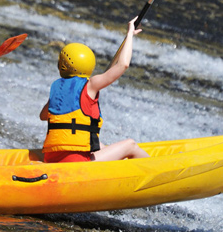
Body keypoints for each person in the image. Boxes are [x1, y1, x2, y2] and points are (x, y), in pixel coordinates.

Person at [39, 17, 150, 163]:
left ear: (61, 65)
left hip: (52, 158)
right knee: (130, 145)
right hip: (76, 162)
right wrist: (130, 34)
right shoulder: (91, 85)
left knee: (100, 145)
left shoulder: (57, 89)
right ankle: (161, 173)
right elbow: (122, 65)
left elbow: (43, 116)